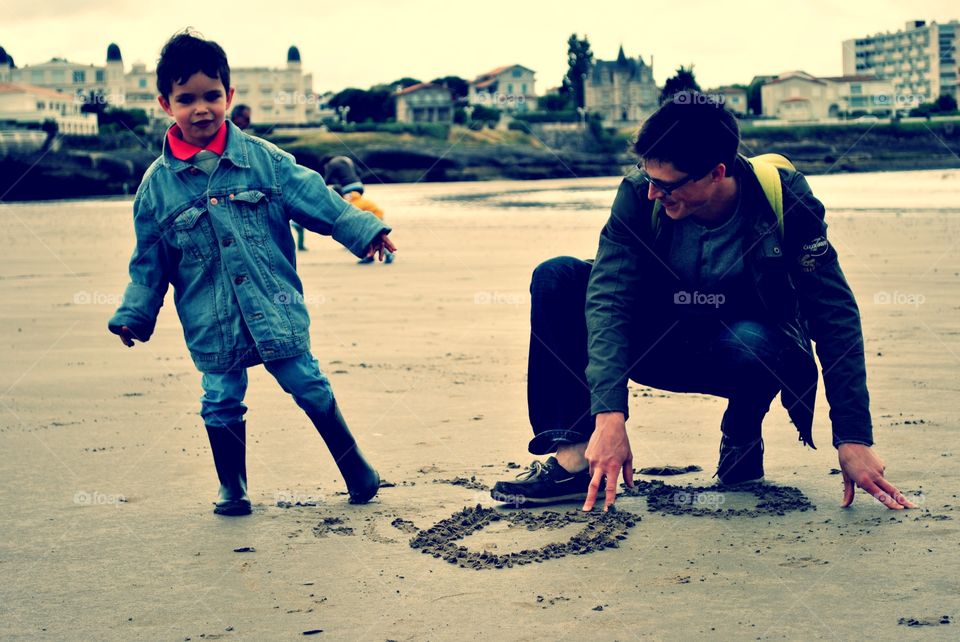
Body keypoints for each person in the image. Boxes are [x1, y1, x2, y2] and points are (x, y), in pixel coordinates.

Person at [492, 92, 915, 513]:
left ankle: (743, 424)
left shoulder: (785, 200)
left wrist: (853, 438)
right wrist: (608, 414)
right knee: (557, 277)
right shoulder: (639, 195)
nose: (654, 193)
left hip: (747, 349)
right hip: (660, 341)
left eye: (667, 185)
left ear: (716, 172)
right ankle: (575, 460)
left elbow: (833, 313)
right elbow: (609, 298)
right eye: (648, 177)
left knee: (757, 342)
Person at [107, 31, 397, 516]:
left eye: (212, 96)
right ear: (165, 104)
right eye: (187, 99)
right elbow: (148, 263)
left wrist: (363, 230)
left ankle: (356, 469)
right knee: (219, 397)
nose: (201, 109)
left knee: (308, 383)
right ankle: (232, 485)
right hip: (211, 320)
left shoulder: (265, 162)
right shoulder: (156, 190)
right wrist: (134, 314)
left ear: (230, 96)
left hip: (274, 308)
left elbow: (318, 198)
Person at [323, 156, 393, 264]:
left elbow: (325, 180)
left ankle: (377, 255)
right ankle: (370, 255)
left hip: (349, 189)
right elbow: (359, 171)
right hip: (359, 185)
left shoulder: (331, 164)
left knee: (365, 230)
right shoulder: (346, 160)